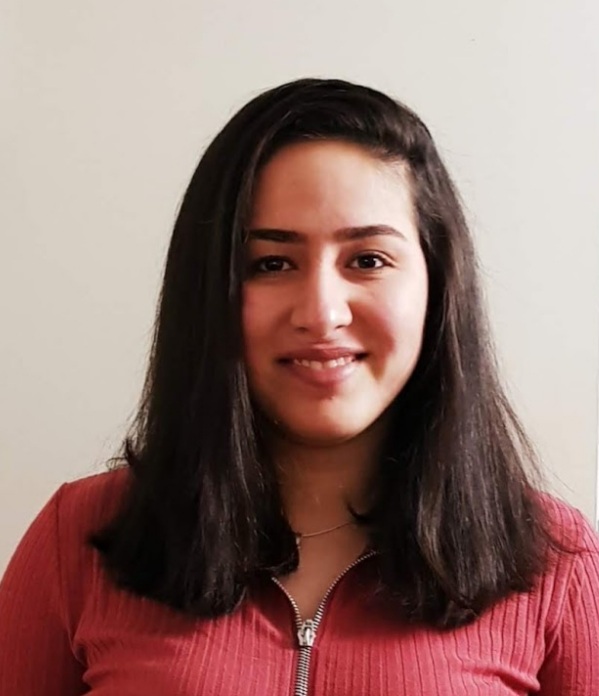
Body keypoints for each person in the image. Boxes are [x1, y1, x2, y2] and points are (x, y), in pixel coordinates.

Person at [0, 78, 598, 695]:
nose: (321, 312)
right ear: (210, 292)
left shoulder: (557, 561)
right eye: (271, 264)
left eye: (367, 259)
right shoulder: (77, 541)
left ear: (437, 286)